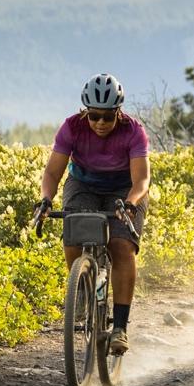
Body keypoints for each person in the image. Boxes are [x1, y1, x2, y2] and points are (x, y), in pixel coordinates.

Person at [33, 73, 151, 356]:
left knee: (121, 245)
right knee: (74, 235)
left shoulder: (133, 130)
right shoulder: (72, 127)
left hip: (124, 187)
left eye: (107, 117)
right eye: (94, 116)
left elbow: (141, 181)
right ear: (85, 112)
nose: (100, 123)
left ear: (118, 113)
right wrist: (46, 200)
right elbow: (52, 172)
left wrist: (131, 204)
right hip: (83, 184)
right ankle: (84, 290)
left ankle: (120, 327)